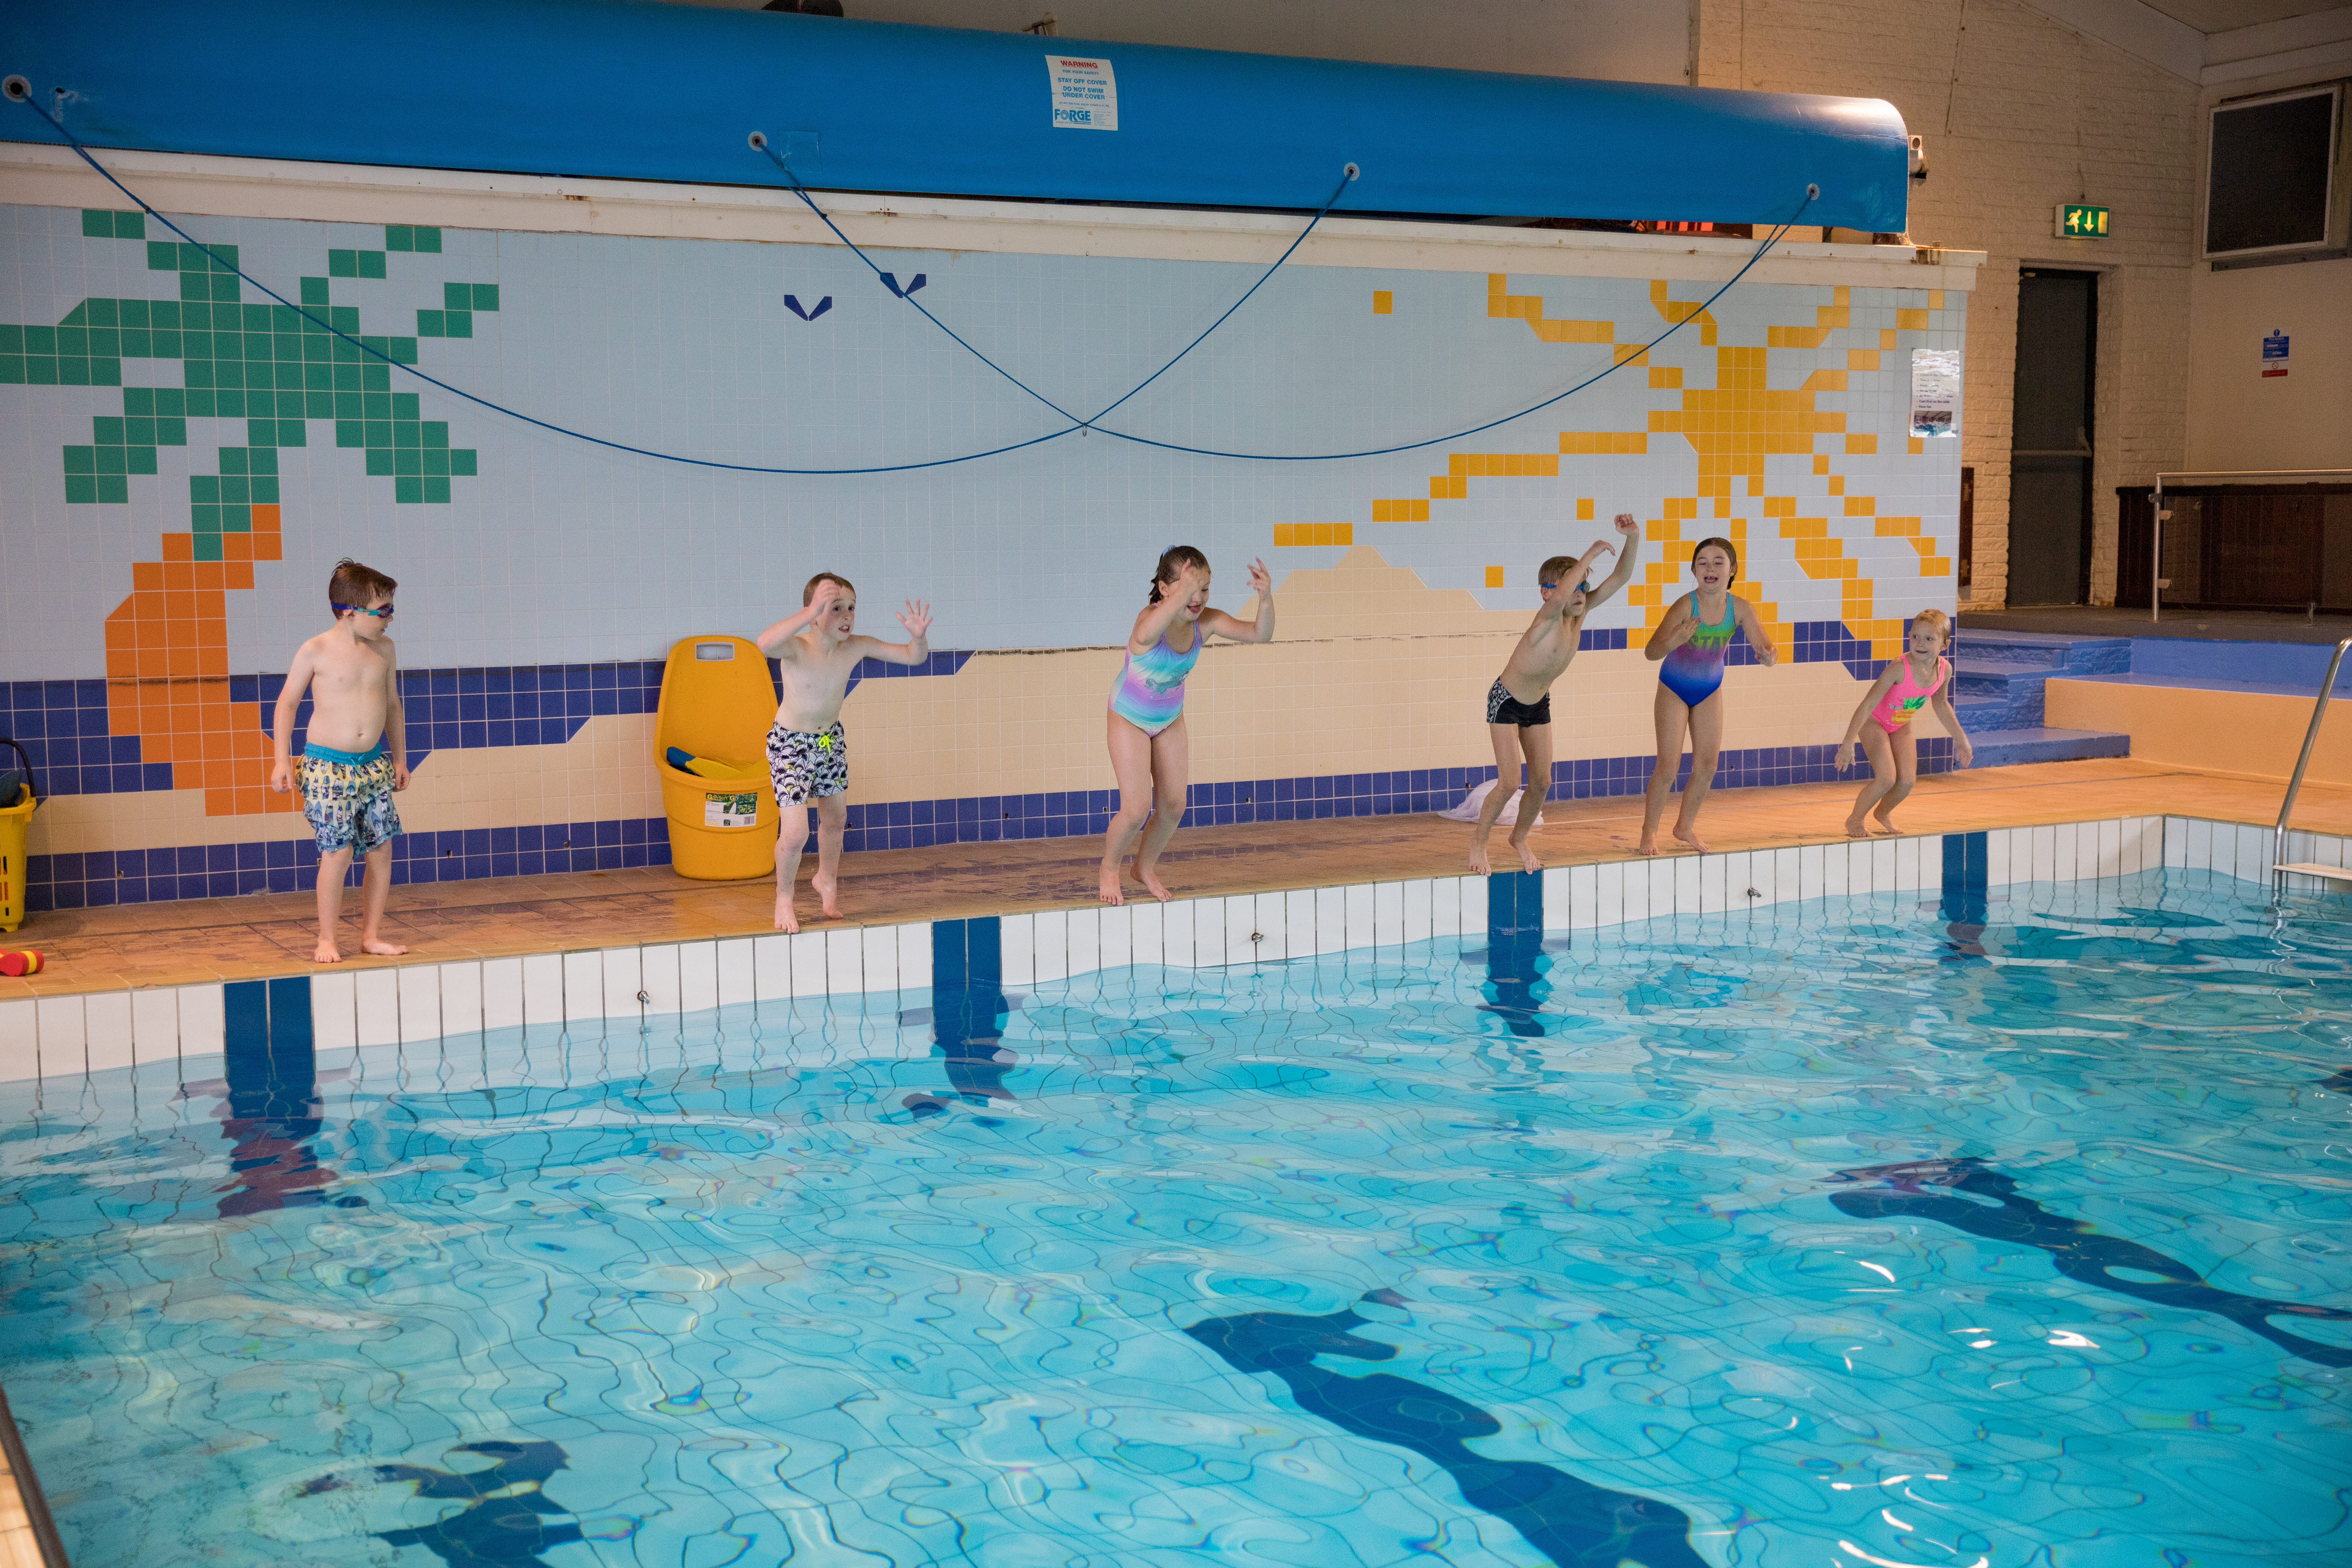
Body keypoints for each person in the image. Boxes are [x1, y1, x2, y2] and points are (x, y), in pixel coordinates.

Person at [755, 573, 933, 932]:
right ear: (815, 611)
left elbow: (914, 659)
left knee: (835, 818)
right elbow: (763, 643)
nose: (847, 616)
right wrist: (808, 612)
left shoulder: (855, 647)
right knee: (794, 834)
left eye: (851, 608)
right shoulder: (797, 647)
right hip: (791, 745)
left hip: (827, 742)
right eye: (835, 609)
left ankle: (827, 880)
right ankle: (784, 898)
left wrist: (918, 637)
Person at [1099, 546, 1276, 906]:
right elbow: (1146, 638)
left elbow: (1260, 634)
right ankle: (1109, 868)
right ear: (1165, 588)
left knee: (1174, 806)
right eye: (1188, 588)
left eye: (1205, 589)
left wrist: (1266, 598)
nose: (1198, 599)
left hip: (1168, 719)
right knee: (1135, 809)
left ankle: (1144, 867)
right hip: (1128, 717)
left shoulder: (1205, 623)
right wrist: (1179, 594)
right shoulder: (1148, 620)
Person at [1469, 512, 1642, 874]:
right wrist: (1589, 555)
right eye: (1572, 587)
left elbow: (1622, 577)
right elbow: (1563, 592)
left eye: (1583, 588)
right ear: (1548, 593)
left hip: (1538, 703)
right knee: (1509, 783)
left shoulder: (1577, 615)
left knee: (1543, 782)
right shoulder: (1546, 618)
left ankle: (1519, 838)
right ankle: (1479, 846)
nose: (1580, 595)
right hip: (1506, 701)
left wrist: (1632, 538)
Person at [269, 559, 410, 965]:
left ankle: (371, 935)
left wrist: (400, 758)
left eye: (392, 609)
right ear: (349, 611)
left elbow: (394, 705)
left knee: (381, 849)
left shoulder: (385, 649)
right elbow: (288, 703)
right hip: (327, 767)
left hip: (373, 766)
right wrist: (282, 760)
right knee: (339, 852)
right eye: (382, 610)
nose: (390, 618)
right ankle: (327, 938)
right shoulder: (315, 650)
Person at [1637, 537, 1778, 856]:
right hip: (1674, 688)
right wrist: (1677, 638)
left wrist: (1769, 656)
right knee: (1668, 766)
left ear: (1733, 570)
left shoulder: (1740, 608)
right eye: (1703, 562)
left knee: (1708, 764)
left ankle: (1684, 826)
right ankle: (1649, 832)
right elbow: (1651, 652)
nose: (1710, 568)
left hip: (1710, 689)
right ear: (1693, 570)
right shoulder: (1686, 606)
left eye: (1718, 562)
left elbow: (1766, 646)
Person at [1837, 608, 1971, 836]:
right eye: (1915, 637)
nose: (1920, 643)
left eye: (1930, 639)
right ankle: (1855, 820)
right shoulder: (1900, 668)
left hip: (1900, 725)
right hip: (1874, 723)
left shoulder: (1944, 670)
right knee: (1887, 778)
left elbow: (1941, 704)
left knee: (1907, 781)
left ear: (1944, 645)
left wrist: (1961, 739)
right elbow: (1868, 703)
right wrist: (1848, 742)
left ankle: (1882, 813)